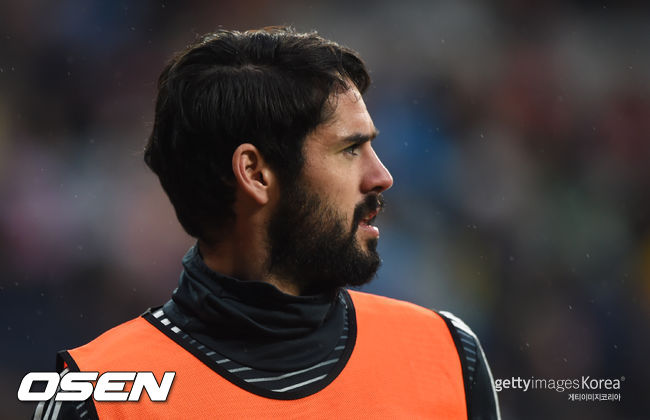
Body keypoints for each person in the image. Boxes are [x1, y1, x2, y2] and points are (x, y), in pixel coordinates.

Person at [34, 27, 500, 419]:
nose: (382, 176)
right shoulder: (98, 394)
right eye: (350, 149)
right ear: (255, 173)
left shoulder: (446, 354)